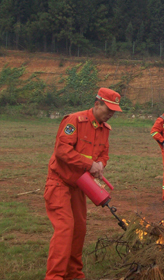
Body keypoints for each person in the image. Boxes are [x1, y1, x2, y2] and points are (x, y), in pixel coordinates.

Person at [44, 87, 122, 280]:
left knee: (79, 228)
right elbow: (62, 150)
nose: (111, 114)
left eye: (114, 111)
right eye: (108, 109)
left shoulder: (105, 129)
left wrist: (100, 165)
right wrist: (89, 164)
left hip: (79, 186)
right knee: (65, 228)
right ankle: (55, 276)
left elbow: (104, 154)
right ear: (97, 104)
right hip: (59, 182)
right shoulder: (74, 121)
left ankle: (74, 274)